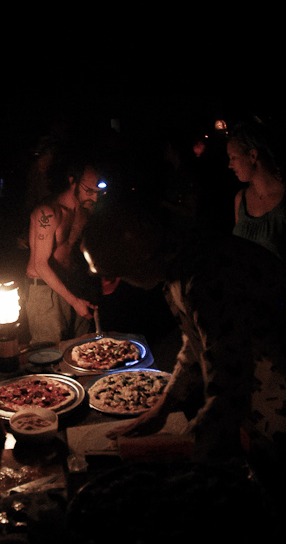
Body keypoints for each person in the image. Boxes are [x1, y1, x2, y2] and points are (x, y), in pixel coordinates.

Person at [82, 196, 286, 468]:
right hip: (259, 400)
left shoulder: (207, 275)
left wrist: (187, 456)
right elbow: (196, 341)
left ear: (142, 260)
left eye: (119, 274)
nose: (121, 283)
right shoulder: (181, 260)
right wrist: (164, 405)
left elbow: (229, 386)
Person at [25, 158, 102, 343]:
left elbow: (80, 246)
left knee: (84, 347)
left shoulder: (84, 211)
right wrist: (74, 301)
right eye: (89, 191)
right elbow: (40, 264)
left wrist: (100, 267)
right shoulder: (48, 213)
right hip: (45, 290)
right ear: (72, 181)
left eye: (99, 192)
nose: (94, 198)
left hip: (73, 282)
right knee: (51, 353)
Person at [227, 118, 286, 261]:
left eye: (233, 157)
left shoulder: (282, 200)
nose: (229, 165)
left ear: (252, 155)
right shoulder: (241, 199)